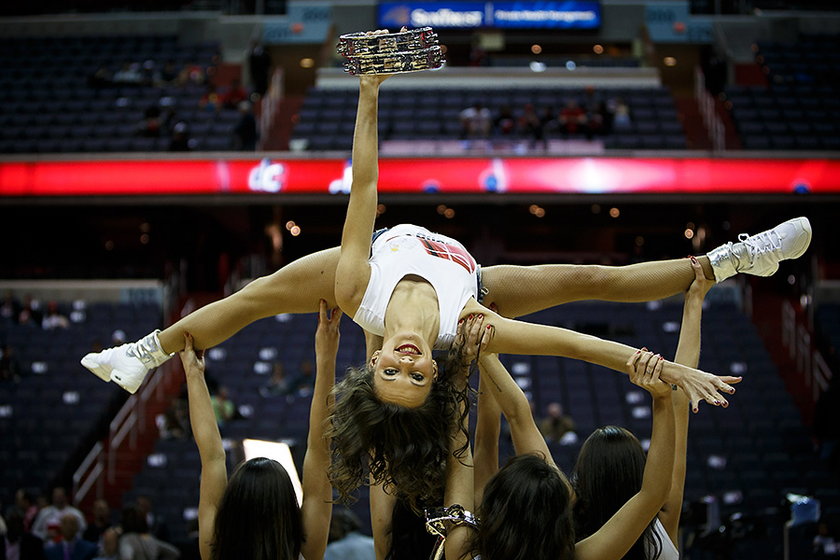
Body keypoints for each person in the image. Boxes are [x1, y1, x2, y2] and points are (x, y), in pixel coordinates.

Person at [82, 65, 808, 505]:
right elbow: (572, 342)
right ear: (432, 367)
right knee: (592, 278)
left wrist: (368, 93)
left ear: (376, 362)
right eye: (414, 372)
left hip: (376, 265)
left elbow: (363, 187)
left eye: (389, 370)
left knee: (255, 295)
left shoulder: (355, 289)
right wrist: (654, 365)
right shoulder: (467, 330)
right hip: (471, 276)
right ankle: (731, 260)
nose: (403, 359)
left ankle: (143, 351)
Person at [438, 314, 681, 560]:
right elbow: (653, 494)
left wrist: (472, 357)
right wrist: (662, 398)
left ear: (491, 506)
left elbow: (464, 443)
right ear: (562, 521)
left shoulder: (460, 549)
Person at [572, 256, 710, 559]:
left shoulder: (572, 545)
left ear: (582, 479)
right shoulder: (661, 520)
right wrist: (694, 300)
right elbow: (679, 405)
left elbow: (520, 419)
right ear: (643, 472)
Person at [180, 298, 340, 560]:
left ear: (233, 505)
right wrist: (326, 356)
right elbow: (319, 450)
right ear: (288, 506)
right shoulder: (305, 548)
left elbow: (212, 457)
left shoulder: (214, 547)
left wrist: (193, 374)